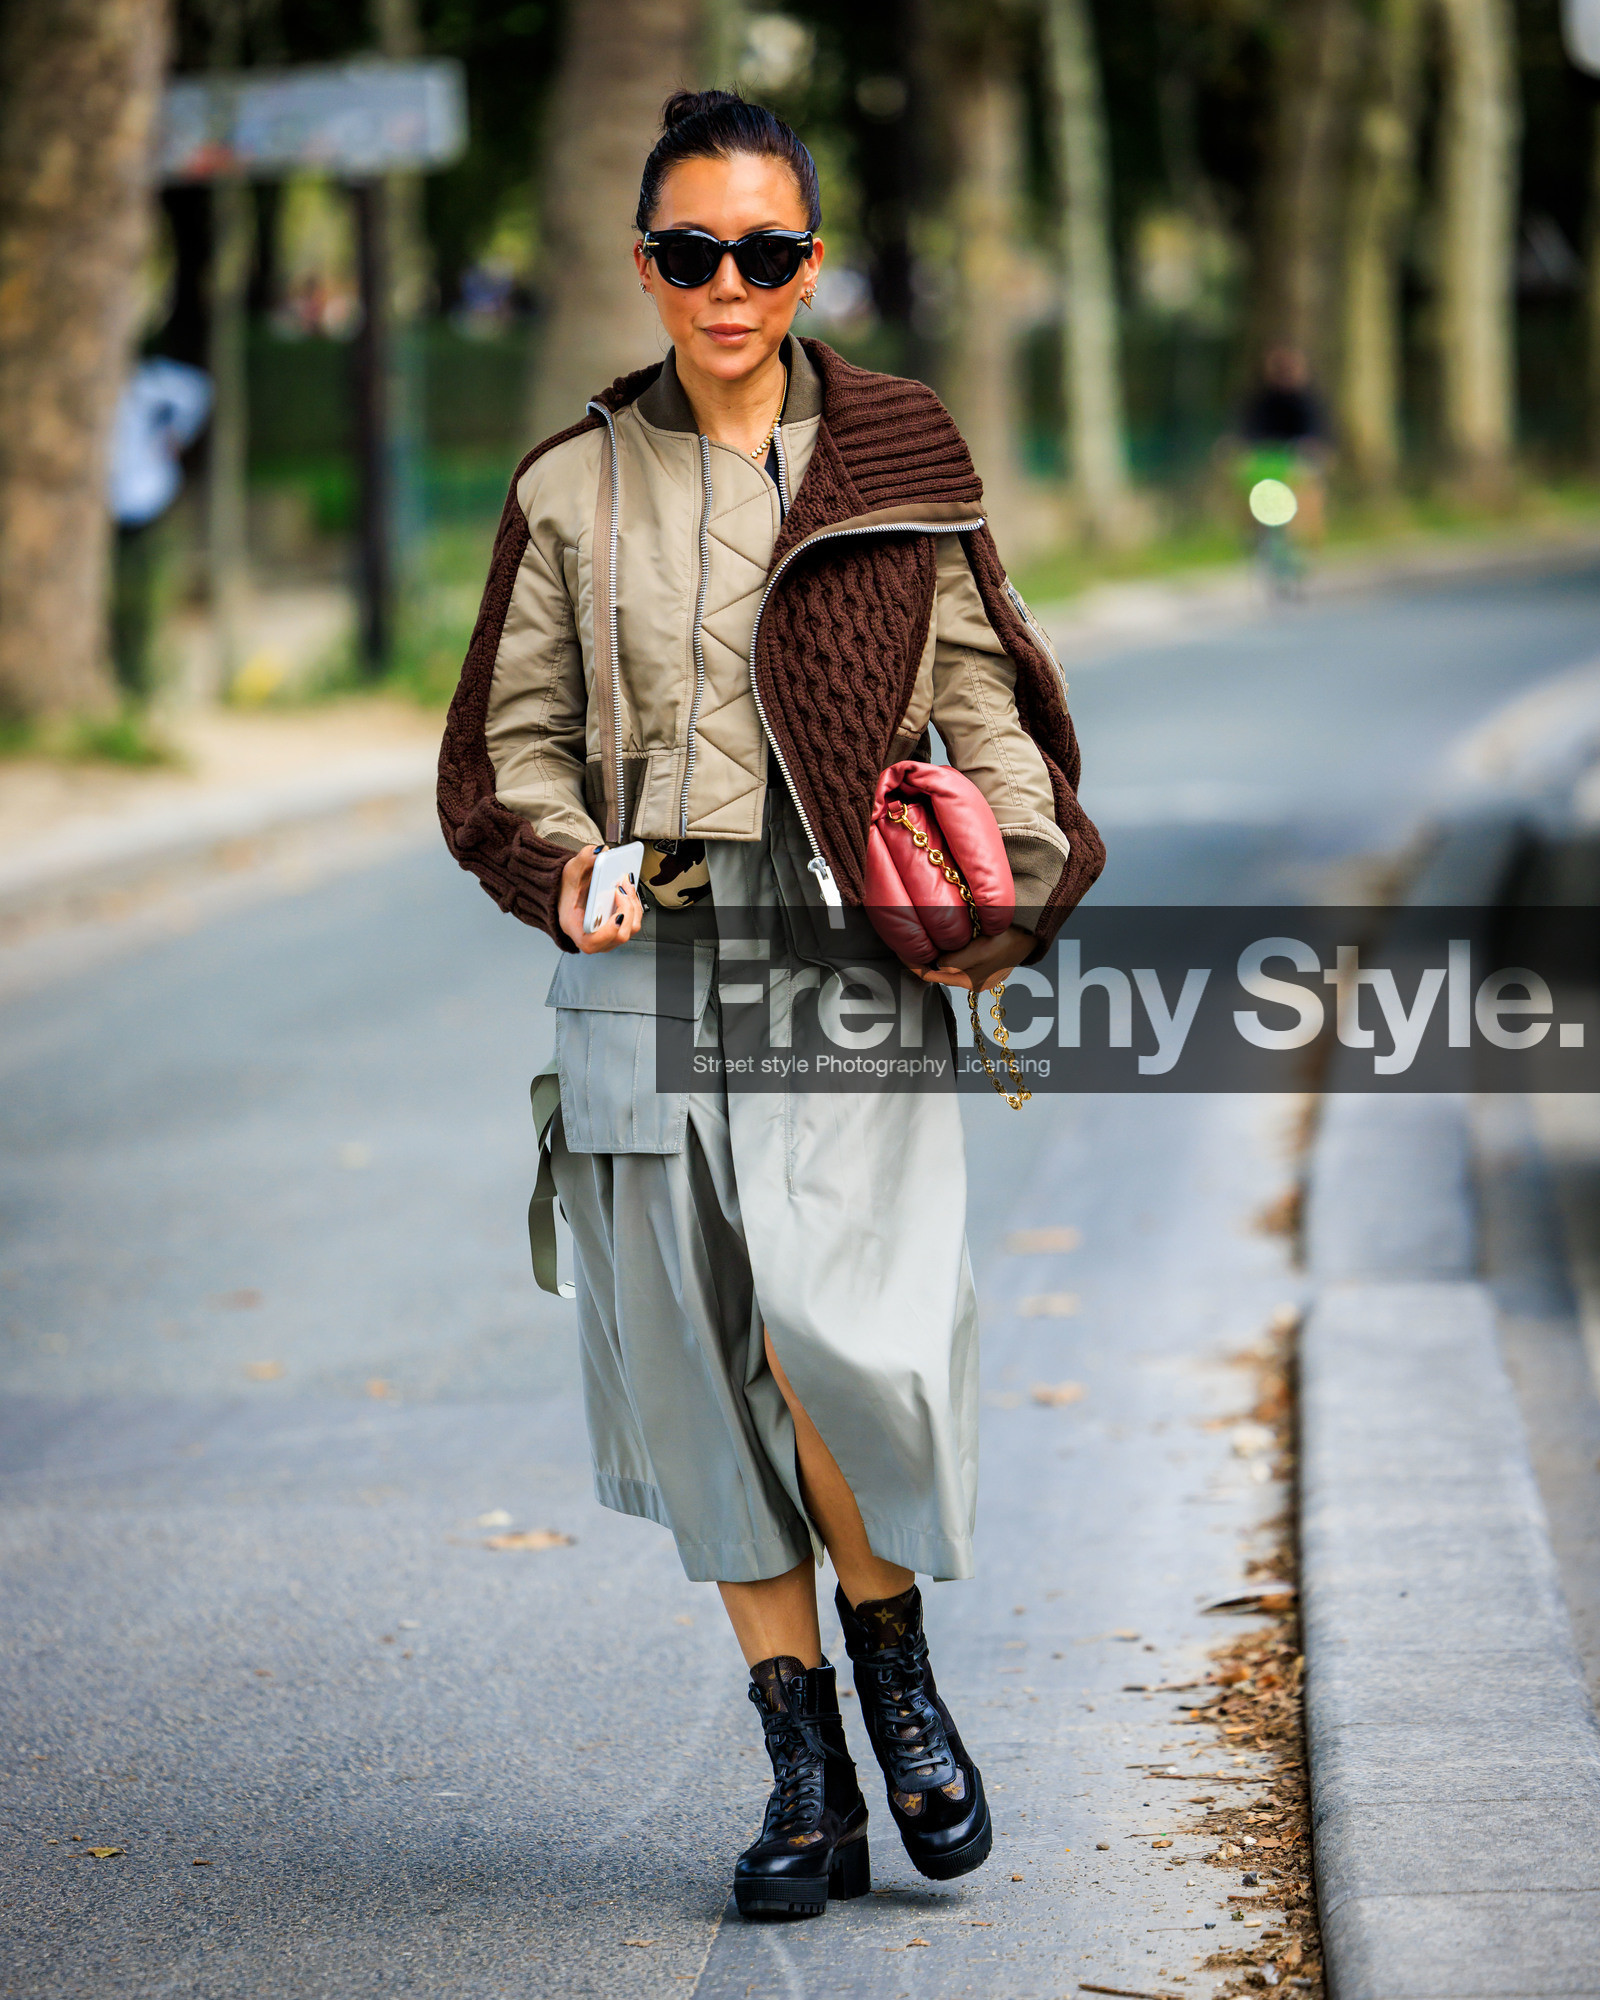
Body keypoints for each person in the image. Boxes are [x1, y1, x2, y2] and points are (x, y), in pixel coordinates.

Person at [438, 90, 1104, 1918]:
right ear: (644, 261)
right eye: (687, 251)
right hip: (641, 954)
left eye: (764, 251)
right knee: (692, 1352)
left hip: (841, 952)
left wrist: (1010, 886)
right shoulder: (568, 486)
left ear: (810, 265)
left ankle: (898, 1677)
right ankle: (798, 1760)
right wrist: (560, 863)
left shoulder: (895, 454)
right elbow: (507, 752)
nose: (725, 285)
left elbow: (990, 702)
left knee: (836, 1331)